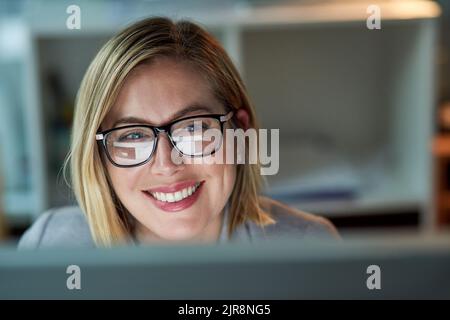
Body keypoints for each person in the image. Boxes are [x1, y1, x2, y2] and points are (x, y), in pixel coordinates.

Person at [18, 17, 338, 249]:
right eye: (132, 136)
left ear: (241, 132)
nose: (167, 165)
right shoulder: (49, 247)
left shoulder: (308, 247)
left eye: (194, 128)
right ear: (98, 156)